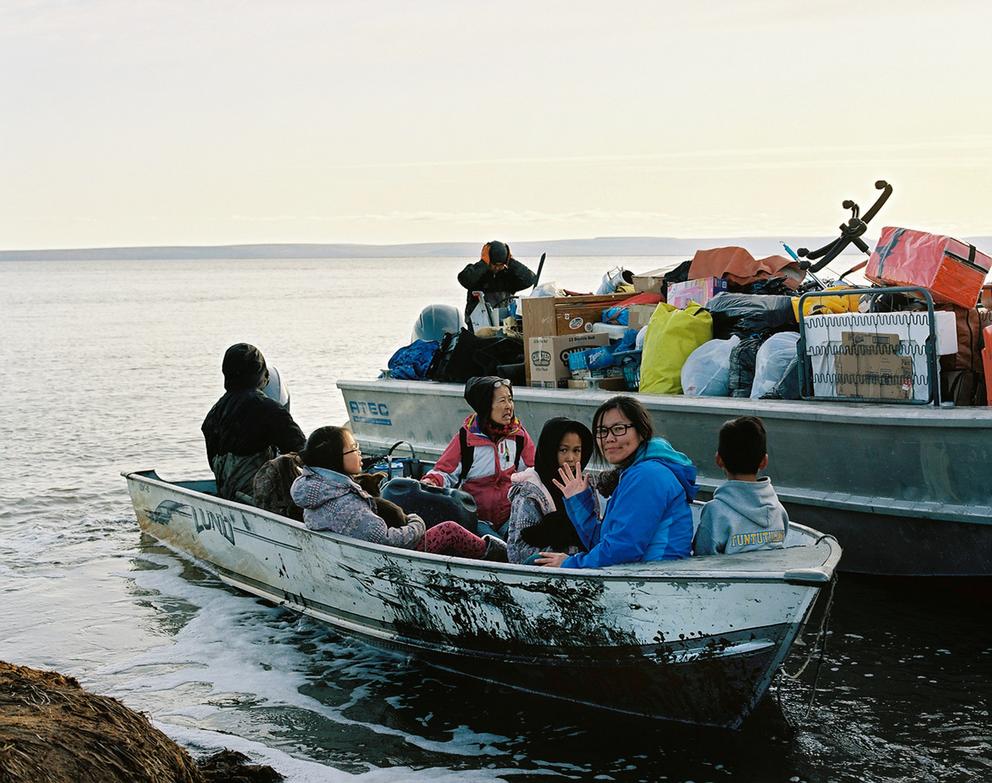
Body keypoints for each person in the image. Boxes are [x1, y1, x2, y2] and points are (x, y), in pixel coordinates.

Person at [291, 426, 506, 559]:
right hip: (393, 558)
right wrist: (416, 524)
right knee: (449, 529)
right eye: (354, 448)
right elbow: (384, 540)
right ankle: (495, 557)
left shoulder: (317, 488)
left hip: (359, 551)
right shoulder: (345, 503)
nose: (360, 454)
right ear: (334, 458)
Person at [536, 396, 697, 569]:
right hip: (637, 577)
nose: (609, 438)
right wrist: (578, 501)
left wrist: (570, 563)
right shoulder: (632, 473)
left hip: (656, 580)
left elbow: (623, 549)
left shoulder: (647, 475)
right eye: (602, 431)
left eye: (619, 429)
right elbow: (603, 542)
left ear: (641, 431)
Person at [421, 376, 535, 538]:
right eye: (502, 401)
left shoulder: (519, 436)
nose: (508, 407)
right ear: (485, 406)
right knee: (493, 546)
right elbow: (444, 472)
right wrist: (430, 482)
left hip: (511, 517)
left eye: (510, 400)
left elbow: (534, 471)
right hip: (476, 519)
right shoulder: (466, 439)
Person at [201, 343, 306, 501]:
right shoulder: (268, 409)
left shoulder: (214, 413)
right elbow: (301, 448)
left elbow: (213, 463)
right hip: (260, 500)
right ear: (260, 373)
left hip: (228, 497)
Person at [692, 416, 789, 556]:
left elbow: (702, 558)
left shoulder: (714, 512)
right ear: (764, 461)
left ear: (719, 460)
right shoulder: (779, 511)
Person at [506, 417, 596, 565]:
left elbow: (594, 536)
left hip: (580, 565)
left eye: (577, 450)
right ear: (550, 450)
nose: (571, 458)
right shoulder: (530, 492)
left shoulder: (585, 486)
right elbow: (518, 552)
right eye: (563, 450)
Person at [457, 241, 536, 329]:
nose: (497, 268)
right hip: (478, 326)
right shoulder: (476, 273)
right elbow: (464, 279)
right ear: (488, 260)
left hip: (504, 324)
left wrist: (511, 262)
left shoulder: (509, 276)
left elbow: (530, 279)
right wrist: (483, 263)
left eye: (501, 265)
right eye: (494, 265)